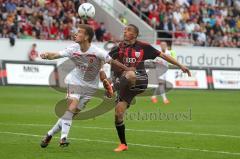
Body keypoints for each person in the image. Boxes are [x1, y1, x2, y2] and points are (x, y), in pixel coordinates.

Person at [39, 24, 129, 148]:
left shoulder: (97, 52)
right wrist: (46, 55)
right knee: (72, 105)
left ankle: (49, 134)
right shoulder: (73, 48)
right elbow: (55, 55)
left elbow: (112, 62)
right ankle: (63, 138)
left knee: (71, 115)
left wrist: (127, 69)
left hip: (90, 88)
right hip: (75, 81)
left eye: (79, 32)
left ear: (86, 37)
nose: (76, 34)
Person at [109, 24, 191, 152]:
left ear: (135, 34)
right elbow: (105, 58)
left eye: (128, 30)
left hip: (140, 80)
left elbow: (163, 55)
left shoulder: (143, 47)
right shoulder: (119, 48)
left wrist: (180, 65)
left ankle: (113, 87)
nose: (125, 32)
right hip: (126, 85)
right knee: (118, 113)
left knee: (130, 73)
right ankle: (123, 144)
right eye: (124, 30)